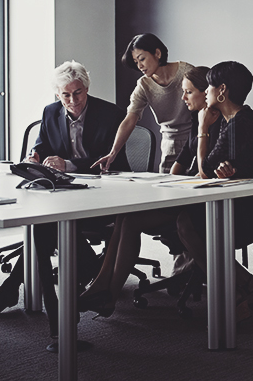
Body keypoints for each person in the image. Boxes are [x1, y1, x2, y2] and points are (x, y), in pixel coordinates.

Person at [0, 61, 129, 337]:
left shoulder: (110, 113)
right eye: (65, 95)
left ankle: (19, 293)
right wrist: (35, 156)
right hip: (64, 193)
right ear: (57, 94)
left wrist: (68, 164)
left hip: (103, 195)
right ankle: (62, 299)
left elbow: (111, 162)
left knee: (44, 228)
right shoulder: (51, 112)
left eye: (77, 93)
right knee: (45, 226)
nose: (72, 100)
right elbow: (42, 145)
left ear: (86, 88)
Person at [78, 66, 214, 317]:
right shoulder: (197, 119)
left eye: (188, 92)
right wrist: (169, 181)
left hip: (203, 203)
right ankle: (105, 289)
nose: (183, 99)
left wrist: (204, 129)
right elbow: (184, 156)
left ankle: (105, 292)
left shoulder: (214, 122)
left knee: (131, 218)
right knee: (126, 217)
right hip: (186, 193)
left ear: (207, 93)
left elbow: (205, 170)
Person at [175, 61, 253, 320]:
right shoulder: (237, 120)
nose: (206, 91)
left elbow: (205, 171)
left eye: (209, 86)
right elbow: (219, 167)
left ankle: (237, 288)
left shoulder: (241, 121)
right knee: (188, 220)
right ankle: (241, 284)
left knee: (190, 223)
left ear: (221, 91)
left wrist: (202, 128)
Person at [95, 34, 194, 174]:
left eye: (142, 59)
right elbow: (130, 119)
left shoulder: (187, 72)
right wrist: (113, 153)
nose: (140, 66)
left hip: (194, 140)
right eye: (136, 62)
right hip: (169, 145)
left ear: (157, 53)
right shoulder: (144, 84)